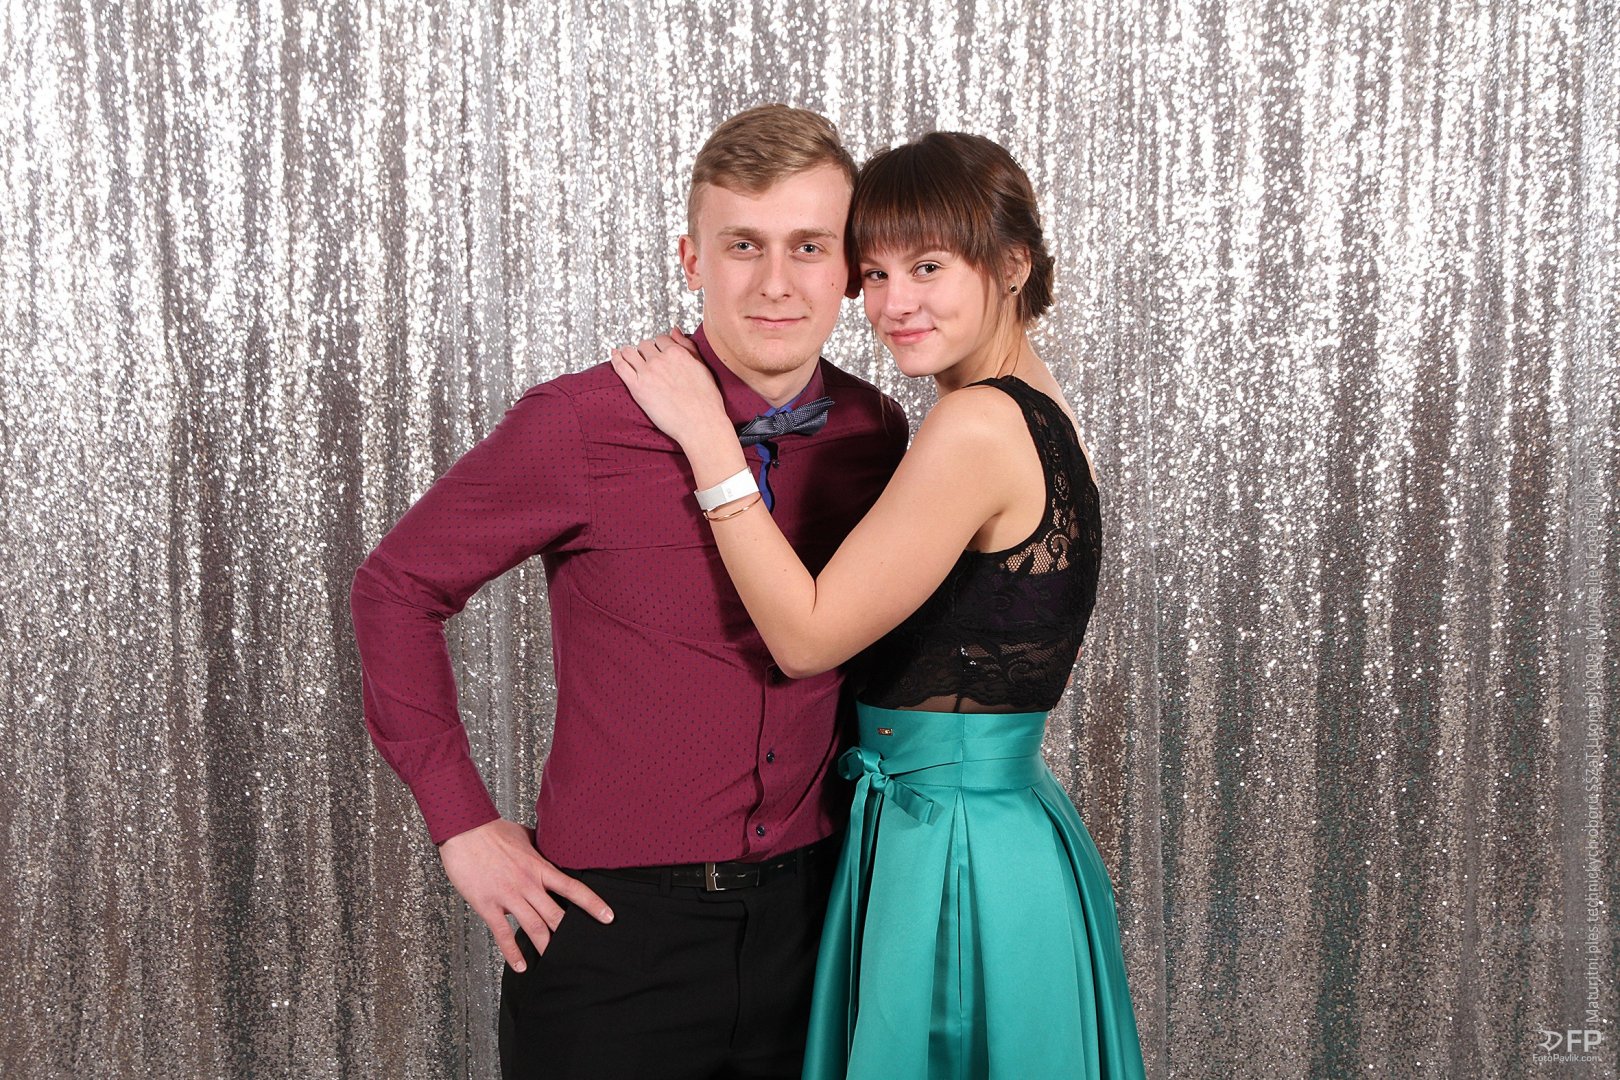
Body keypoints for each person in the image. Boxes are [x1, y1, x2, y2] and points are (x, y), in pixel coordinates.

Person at [349, 104, 909, 1080]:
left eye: (809, 246)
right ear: (692, 260)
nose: (776, 283)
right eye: (743, 245)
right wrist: (461, 822)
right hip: (614, 935)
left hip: (820, 923)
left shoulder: (876, 432)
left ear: (852, 271)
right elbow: (396, 589)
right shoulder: (578, 421)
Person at [610, 131, 1146, 1079]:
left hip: (951, 850)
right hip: (1002, 832)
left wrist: (707, 439)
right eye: (875, 274)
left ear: (1012, 264)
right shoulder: (1041, 407)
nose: (895, 305)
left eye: (929, 267)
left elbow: (806, 637)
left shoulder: (976, 423)